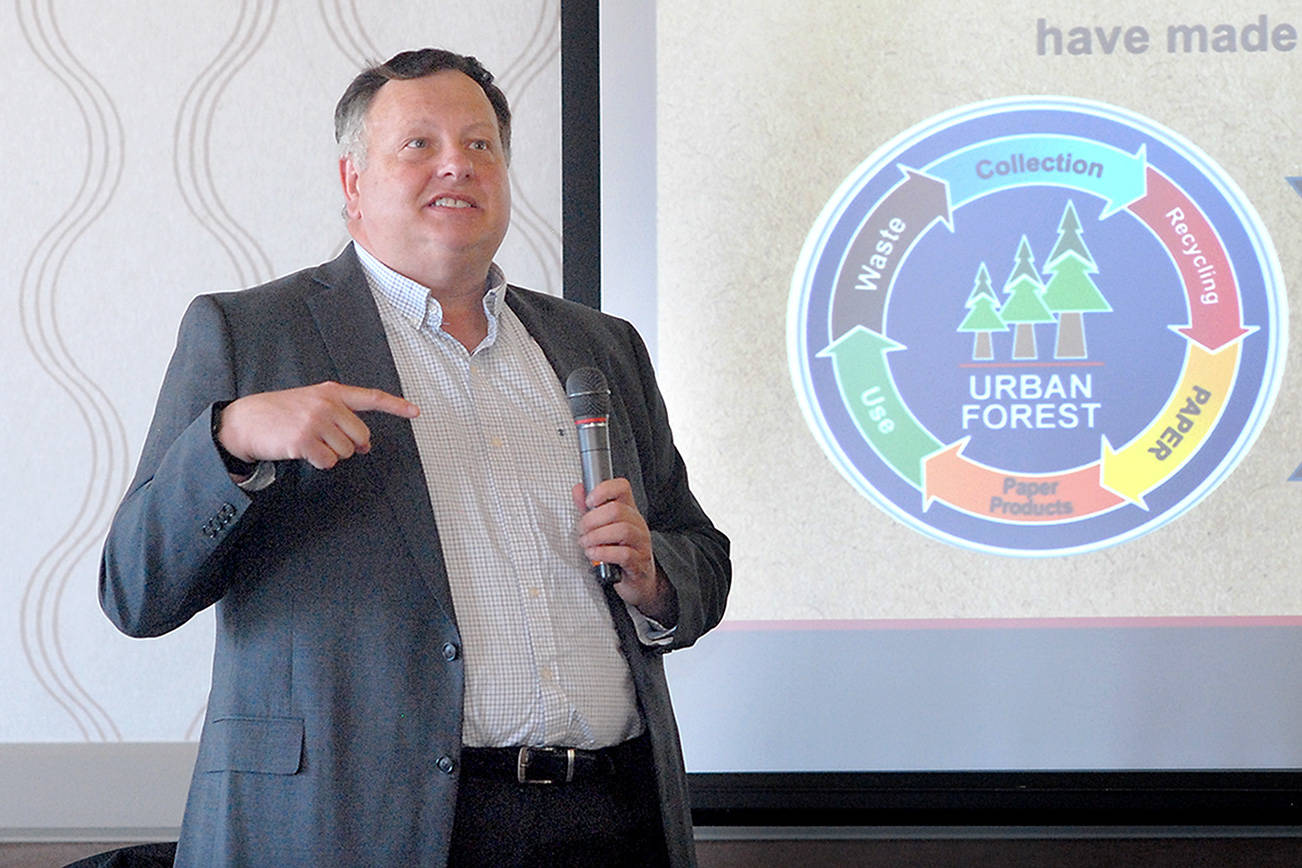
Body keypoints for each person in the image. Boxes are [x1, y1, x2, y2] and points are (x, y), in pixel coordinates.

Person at [99, 48, 730, 867]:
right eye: (419, 145)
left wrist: (655, 578)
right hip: (361, 827)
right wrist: (230, 441)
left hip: (608, 820)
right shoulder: (252, 335)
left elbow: (700, 552)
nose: (456, 165)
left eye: (480, 145)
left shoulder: (601, 346)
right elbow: (135, 590)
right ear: (353, 181)